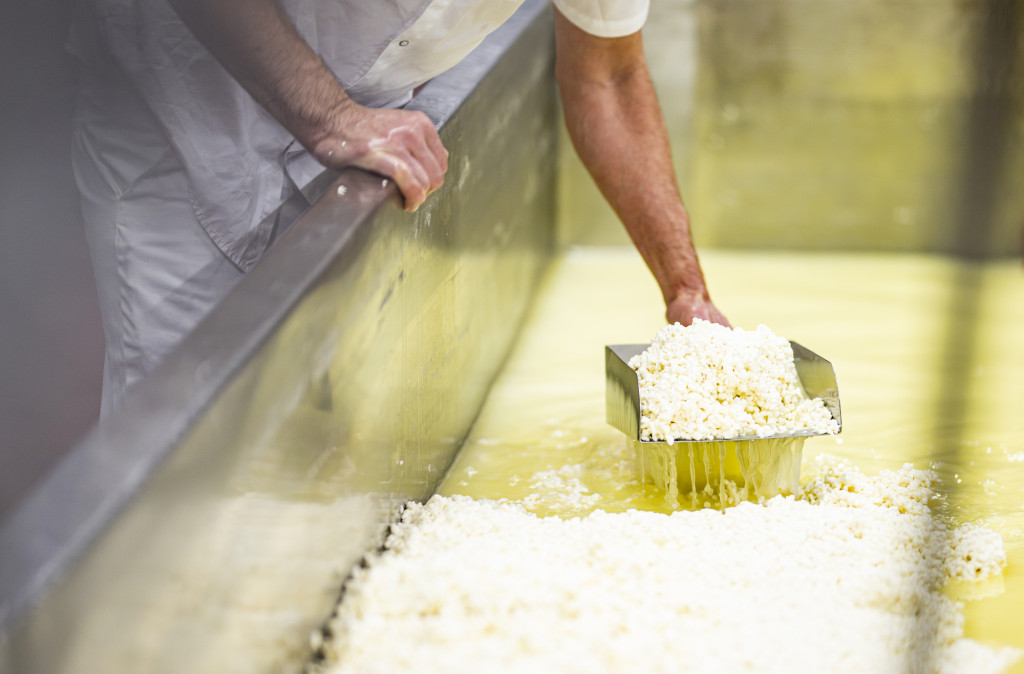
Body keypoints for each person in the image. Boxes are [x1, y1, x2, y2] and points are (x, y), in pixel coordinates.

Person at [70, 0, 728, 415]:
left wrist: (685, 292)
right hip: (184, 109)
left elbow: (606, 76)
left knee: (307, 428)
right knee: (183, 424)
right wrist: (330, 117)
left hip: (364, 114)